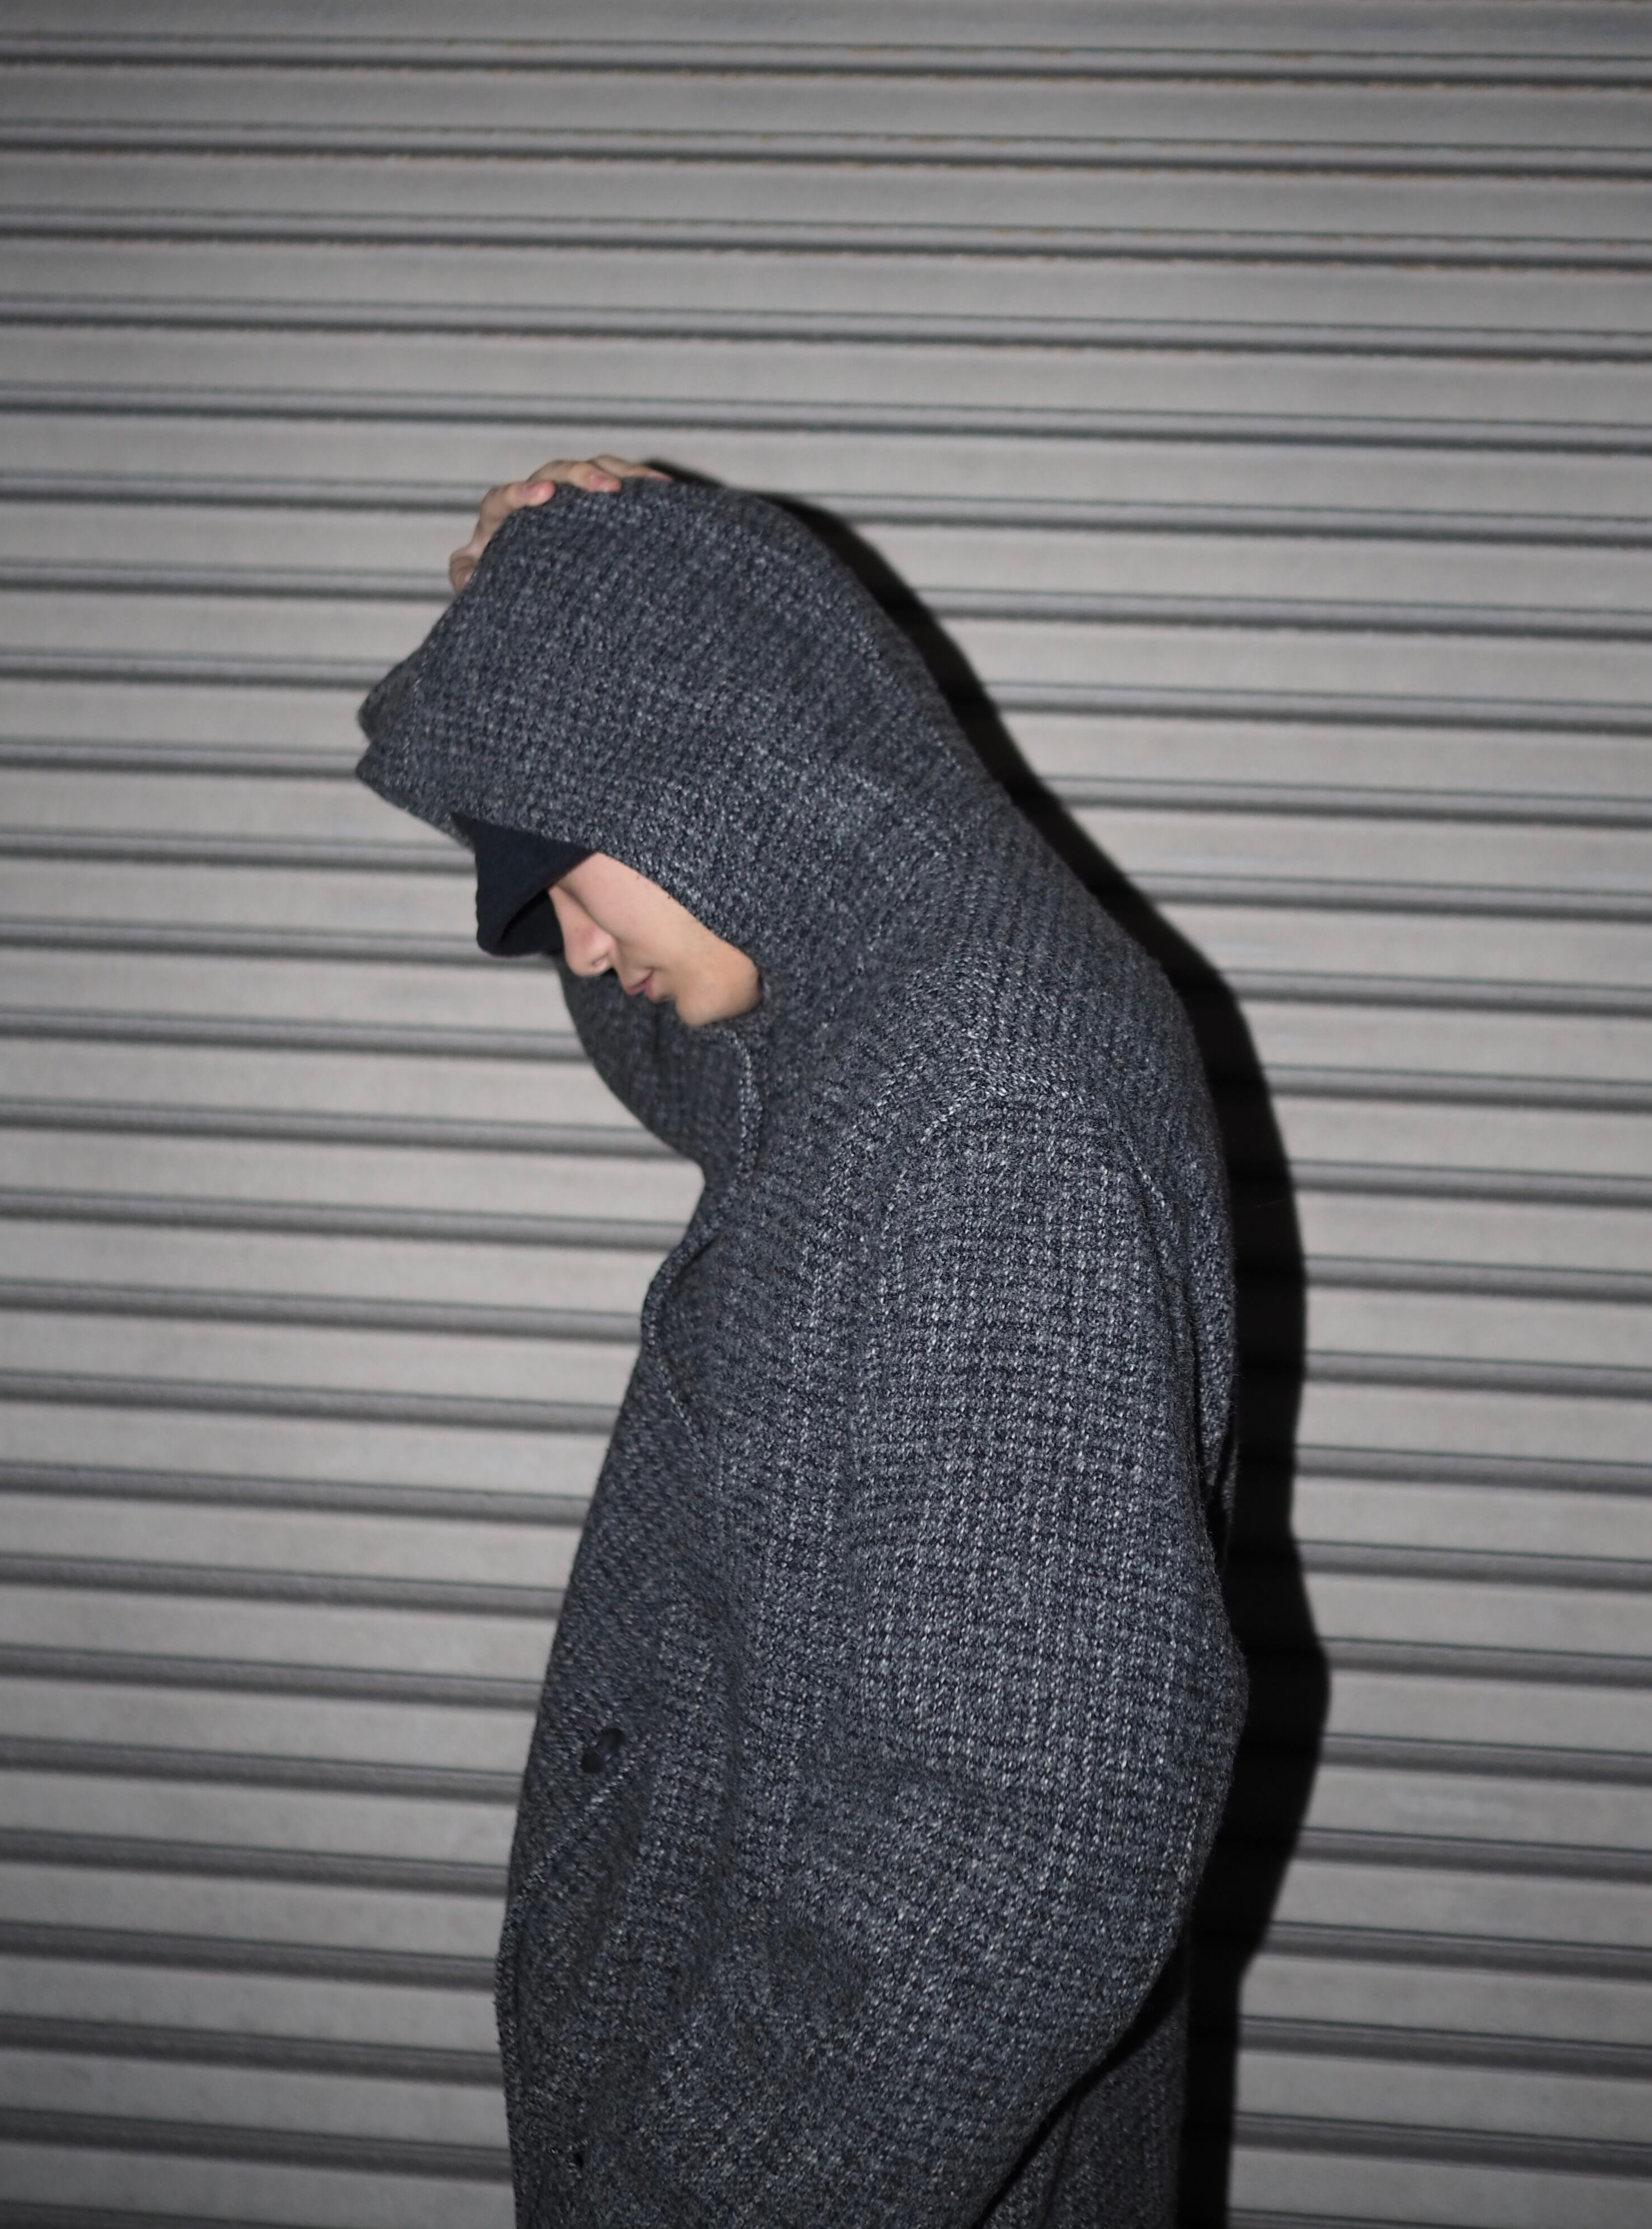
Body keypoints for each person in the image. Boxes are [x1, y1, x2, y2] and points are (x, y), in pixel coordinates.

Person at [356, 456, 1246, 2228]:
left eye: (567, 872)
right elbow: (701, 1051)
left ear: (702, 762)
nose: (572, 943)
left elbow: (1024, 1849)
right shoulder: (887, 996)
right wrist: (554, 630)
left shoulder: (990, 1117)